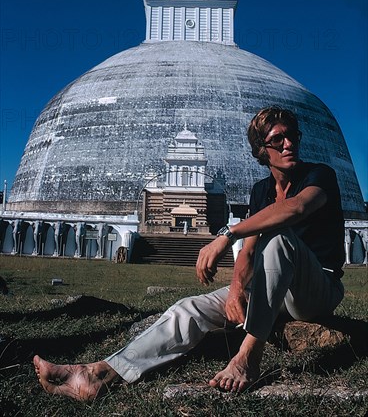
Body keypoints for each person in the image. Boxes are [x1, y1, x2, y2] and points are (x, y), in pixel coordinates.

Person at [33, 106, 345, 401]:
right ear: (262, 149)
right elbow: (249, 253)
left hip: (316, 290)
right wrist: (236, 291)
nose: (289, 144)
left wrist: (226, 234)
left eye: (293, 136)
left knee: (277, 237)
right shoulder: (261, 190)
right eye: (278, 139)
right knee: (188, 309)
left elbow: (297, 207)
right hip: (269, 286)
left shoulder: (320, 174)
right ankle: (96, 375)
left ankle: (248, 357)